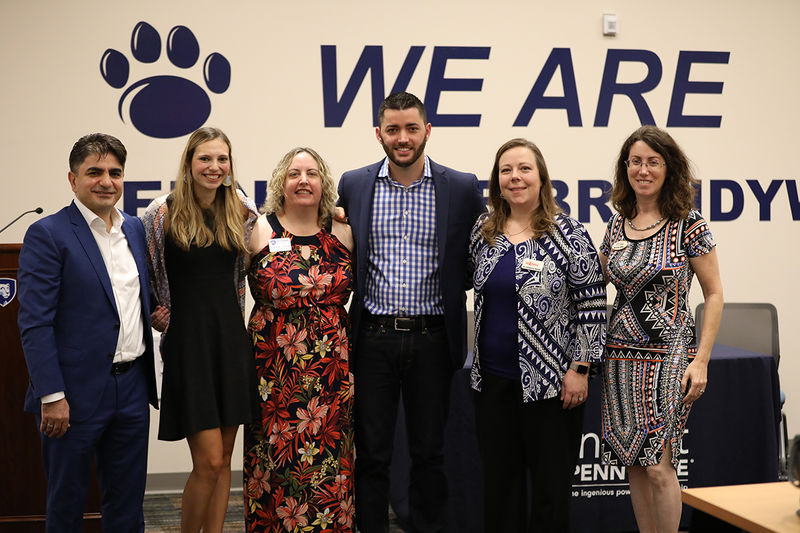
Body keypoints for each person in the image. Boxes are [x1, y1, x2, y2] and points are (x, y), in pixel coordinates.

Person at [337, 91, 485, 532]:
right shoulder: (355, 184)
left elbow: (473, 260)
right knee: (372, 454)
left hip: (433, 338)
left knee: (429, 453)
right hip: (373, 338)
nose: (403, 138)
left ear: (427, 131)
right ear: (378, 133)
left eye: (411, 128)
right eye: (393, 129)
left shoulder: (461, 186)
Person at [17, 133, 158, 532]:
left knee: (127, 504)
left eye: (115, 172)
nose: (106, 181)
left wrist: (155, 314)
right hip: (72, 395)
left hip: (131, 388)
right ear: (72, 179)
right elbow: (34, 322)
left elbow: (125, 302)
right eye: (94, 172)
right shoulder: (48, 234)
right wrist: (52, 395)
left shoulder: (134, 229)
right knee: (67, 504)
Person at [469, 138, 606, 532]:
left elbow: (593, 304)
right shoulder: (484, 231)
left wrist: (580, 368)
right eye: (506, 170)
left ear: (542, 178)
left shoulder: (567, 233)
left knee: (549, 492)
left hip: (551, 386)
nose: (515, 177)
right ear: (496, 181)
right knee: (500, 489)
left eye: (524, 169)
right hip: (491, 383)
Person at [599, 125, 723, 533]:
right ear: (625, 168)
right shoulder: (618, 223)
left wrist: (701, 360)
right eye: (635, 161)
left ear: (669, 167)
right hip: (619, 355)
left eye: (653, 161)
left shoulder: (689, 223)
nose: (644, 170)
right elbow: (596, 280)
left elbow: (715, 293)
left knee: (657, 465)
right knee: (633, 462)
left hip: (670, 356)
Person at [141, 127, 258, 533]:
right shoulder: (162, 212)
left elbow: (277, 235)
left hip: (230, 342)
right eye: (205, 158)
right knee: (207, 461)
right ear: (189, 163)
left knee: (226, 460)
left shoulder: (241, 208)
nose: (214, 167)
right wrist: (159, 313)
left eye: (221, 159)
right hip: (189, 347)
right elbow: (145, 279)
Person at [244, 147, 355, 531]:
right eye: (294, 174)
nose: (303, 180)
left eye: (311, 173)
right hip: (276, 372)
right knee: (277, 461)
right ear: (281, 183)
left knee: (329, 461)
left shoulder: (343, 231)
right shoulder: (261, 230)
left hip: (331, 374)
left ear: (323, 182)